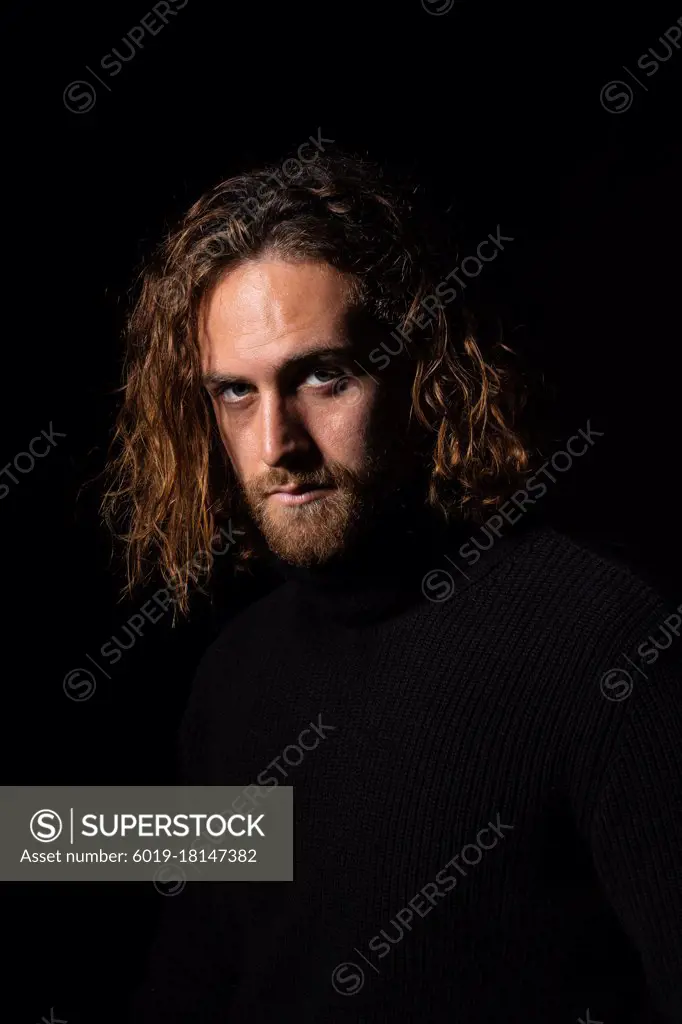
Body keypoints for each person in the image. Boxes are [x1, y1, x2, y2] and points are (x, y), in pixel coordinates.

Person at [105, 149, 682, 1022]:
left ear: (426, 372)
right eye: (235, 392)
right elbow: (192, 987)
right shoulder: (233, 678)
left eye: (323, 376)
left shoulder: (604, 641)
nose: (276, 444)